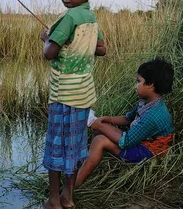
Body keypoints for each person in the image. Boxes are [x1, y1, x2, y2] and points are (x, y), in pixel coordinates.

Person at [39, 0, 106, 209]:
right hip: (84, 96)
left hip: (63, 96)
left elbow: (49, 53)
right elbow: (101, 49)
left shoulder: (68, 18)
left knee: (57, 148)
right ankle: (69, 197)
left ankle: (54, 202)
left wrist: (46, 38)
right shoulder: (90, 17)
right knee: (75, 147)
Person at [75, 57, 175, 187]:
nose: (136, 85)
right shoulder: (146, 103)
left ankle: (75, 184)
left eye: (138, 81)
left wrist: (98, 123)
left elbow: (126, 142)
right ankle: (88, 163)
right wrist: (105, 119)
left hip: (148, 153)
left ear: (150, 84)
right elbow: (128, 119)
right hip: (140, 142)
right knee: (100, 129)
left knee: (100, 140)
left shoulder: (154, 115)